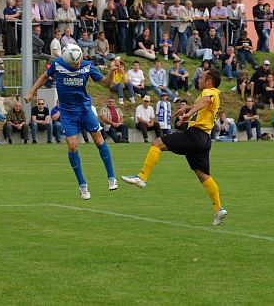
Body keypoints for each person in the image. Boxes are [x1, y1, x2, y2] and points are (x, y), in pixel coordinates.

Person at [122, 69, 228, 226]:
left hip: (195, 135)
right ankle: (219, 209)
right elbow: (205, 104)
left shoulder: (209, 92)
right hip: (205, 139)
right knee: (204, 176)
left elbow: (206, 101)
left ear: (208, 81)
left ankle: (142, 177)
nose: (198, 79)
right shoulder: (214, 94)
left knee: (157, 143)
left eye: (201, 77)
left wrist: (189, 113)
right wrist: (188, 108)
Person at [25, 51, 117, 200]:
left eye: (79, 60)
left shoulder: (87, 66)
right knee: (72, 146)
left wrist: (112, 72)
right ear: (68, 62)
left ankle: (111, 177)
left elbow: (107, 84)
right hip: (67, 113)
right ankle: (82, 185)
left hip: (85, 109)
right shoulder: (58, 64)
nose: (78, 64)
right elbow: (44, 76)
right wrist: (31, 92)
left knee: (99, 140)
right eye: (75, 63)